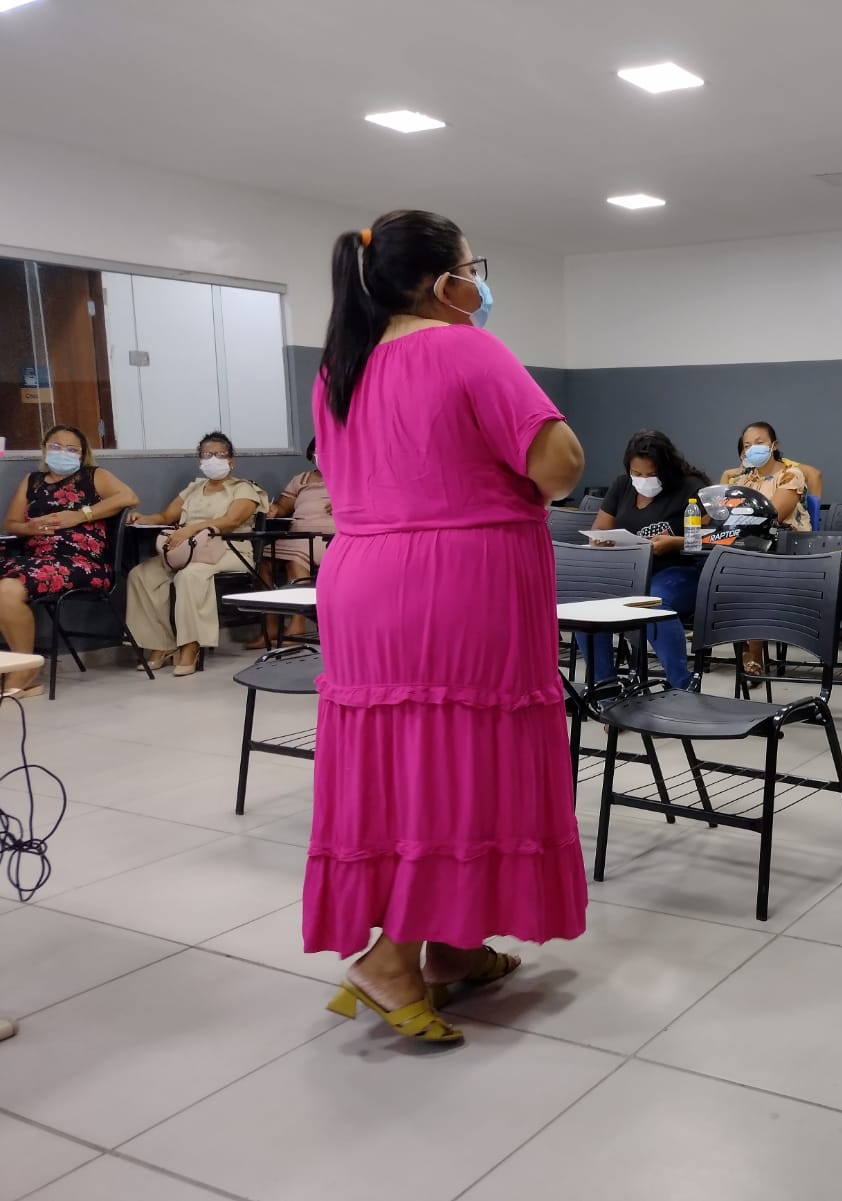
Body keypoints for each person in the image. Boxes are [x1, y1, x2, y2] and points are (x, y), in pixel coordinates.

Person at [307, 209, 587, 1045]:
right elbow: (561, 463)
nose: (479, 281)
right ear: (442, 281)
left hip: (363, 581)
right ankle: (392, 955)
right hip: (458, 583)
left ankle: (454, 945)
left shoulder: (338, 370)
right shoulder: (468, 348)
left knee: (401, 765)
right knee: (460, 761)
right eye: (474, 267)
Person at [0, 424, 138, 697]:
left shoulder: (94, 476)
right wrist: (33, 526)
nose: (63, 453)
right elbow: (11, 524)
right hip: (34, 558)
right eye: (56, 446)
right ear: (44, 449)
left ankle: (24, 671)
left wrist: (81, 515)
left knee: (6, 590)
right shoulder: (32, 481)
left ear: (82, 454)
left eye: (71, 449)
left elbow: (129, 497)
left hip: (81, 562)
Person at [125, 432, 268, 677]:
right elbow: (165, 517)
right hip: (188, 548)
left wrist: (192, 528)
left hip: (230, 548)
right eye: (207, 455)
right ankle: (161, 645)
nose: (213, 459)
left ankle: (191, 646)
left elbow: (231, 520)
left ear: (231, 461)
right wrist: (143, 518)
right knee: (142, 575)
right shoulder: (193, 489)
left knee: (190, 576)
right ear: (199, 461)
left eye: (220, 455)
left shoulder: (244, 488)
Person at [581, 429, 708, 689]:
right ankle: (605, 693)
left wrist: (675, 542)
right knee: (586, 612)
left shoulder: (690, 487)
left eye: (651, 474)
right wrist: (600, 540)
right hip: (629, 572)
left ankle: (680, 689)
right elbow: (600, 529)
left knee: (653, 606)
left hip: (677, 570)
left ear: (667, 469)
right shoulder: (622, 485)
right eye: (637, 474)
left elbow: (711, 537)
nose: (643, 480)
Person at [723, 422, 810, 675]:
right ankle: (736, 638)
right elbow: (724, 516)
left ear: (774, 445)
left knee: (749, 573)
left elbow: (774, 514)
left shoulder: (790, 475)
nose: (753, 449)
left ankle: (755, 651)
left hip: (786, 549)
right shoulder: (742, 479)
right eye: (747, 445)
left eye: (759, 443)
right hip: (748, 546)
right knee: (721, 566)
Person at [246, 438, 334, 648]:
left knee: (295, 557)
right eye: (319, 450)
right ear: (311, 454)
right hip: (298, 536)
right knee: (262, 560)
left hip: (330, 539)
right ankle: (271, 627)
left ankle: (298, 622)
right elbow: (285, 505)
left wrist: (346, 501)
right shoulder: (301, 479)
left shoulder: (351, 476)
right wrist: (275, 509)